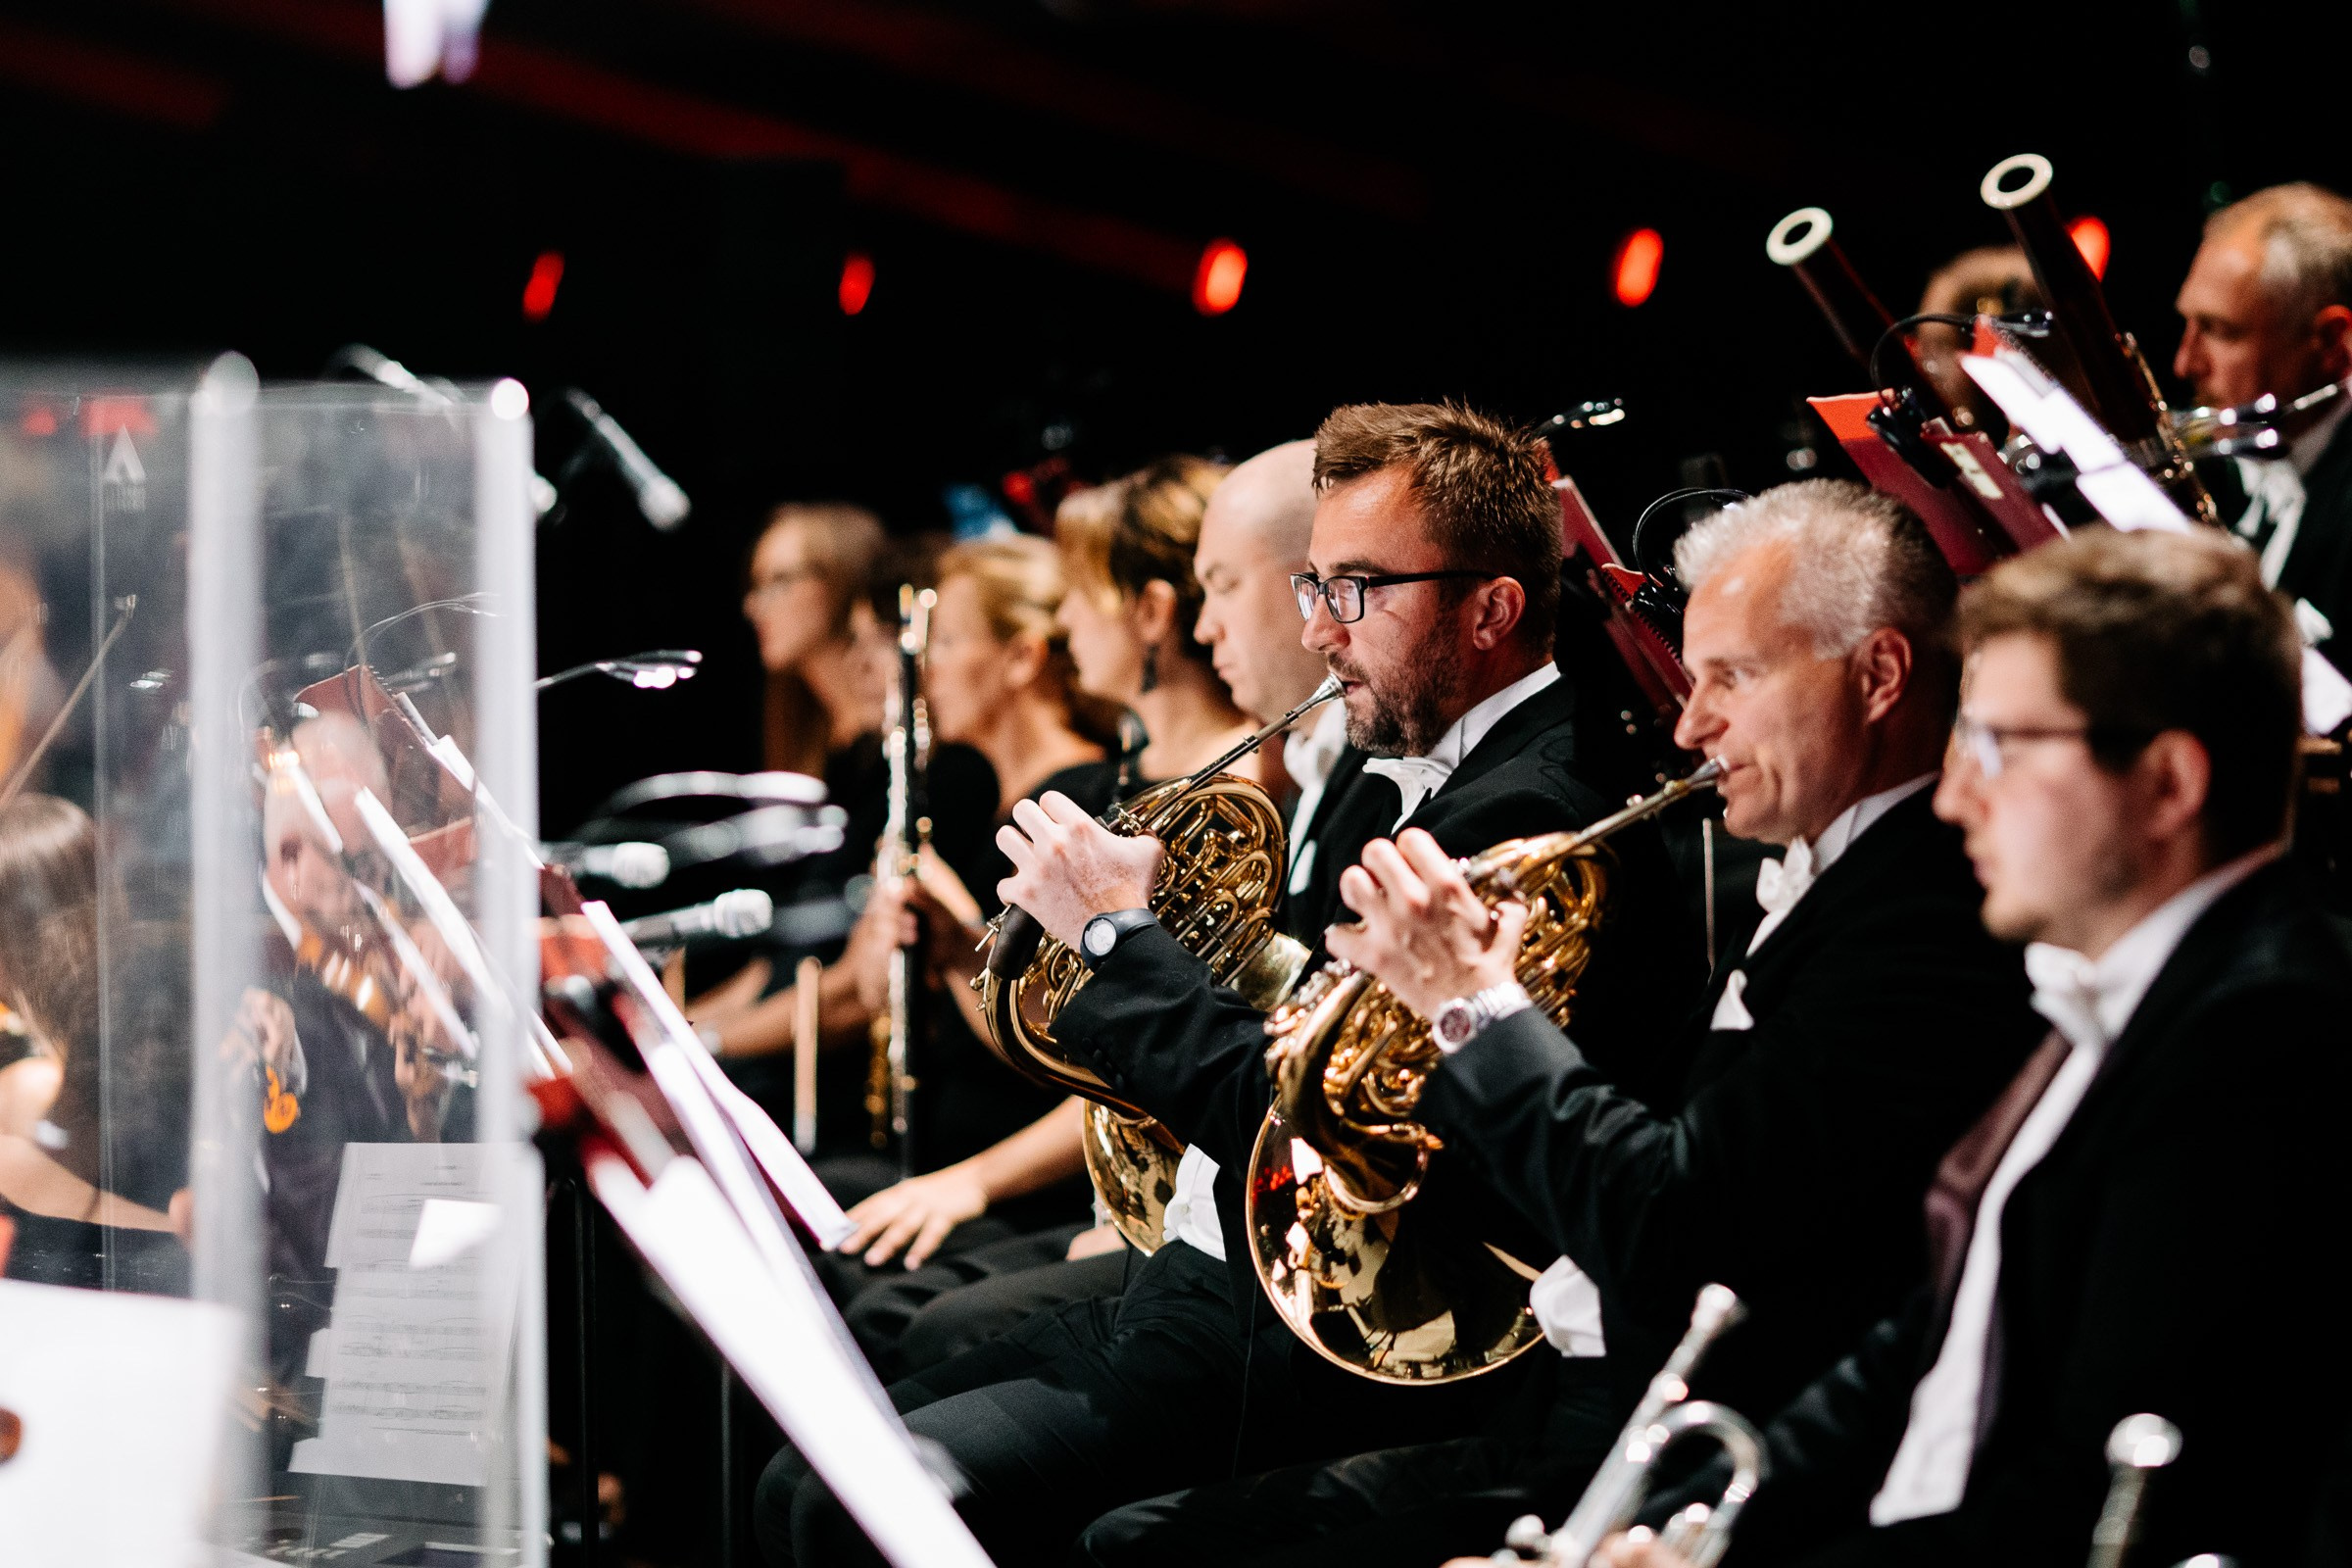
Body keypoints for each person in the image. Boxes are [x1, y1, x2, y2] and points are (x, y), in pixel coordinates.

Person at [756, 401, 1699, 1568]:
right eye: (1311, 586)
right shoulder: (1406, 763)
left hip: (1329, 1326)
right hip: (1224, 1278)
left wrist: (1118, 937)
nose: (1319, 630)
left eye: (1355, 591)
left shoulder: (1522, 809)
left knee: (837, 1498)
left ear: (1494, 610)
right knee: (809, 1465)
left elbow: (1321, 1135)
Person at [1072, 479, 2044, 1568]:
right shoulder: (1837, 873)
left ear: (1879, 675)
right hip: (1578, 1394)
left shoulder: (1918, 922)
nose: (1691, 724)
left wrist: (1472, 1004)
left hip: (1656, 1431)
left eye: (1732, 677)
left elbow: (1670, 1227)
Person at [1580, 526, 2351, 1568]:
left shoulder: (2261, 1037)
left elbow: (2095, 1491)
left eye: (1999, 749)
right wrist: (1695, 1532)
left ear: (2168, 782)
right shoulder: (2123, 988)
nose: (1953, 797)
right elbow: (1932, 1343)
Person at [842, 439, 1342, 1380]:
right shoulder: (1113, 778)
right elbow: (1072, 1028)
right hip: (1126, 1188)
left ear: (1148, 613)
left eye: (1077, 595)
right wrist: (950, 953)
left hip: (1180, 1200)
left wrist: (985, 1182)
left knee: (912, 1322)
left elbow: (1187, 1036)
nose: (1064, 624)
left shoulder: (1255, 792)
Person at [2174, 183, 2352, 671]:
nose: (2185, 364)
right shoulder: (2216, 459)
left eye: (2221, 331)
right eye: (2187, 324)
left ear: (2331, 342)